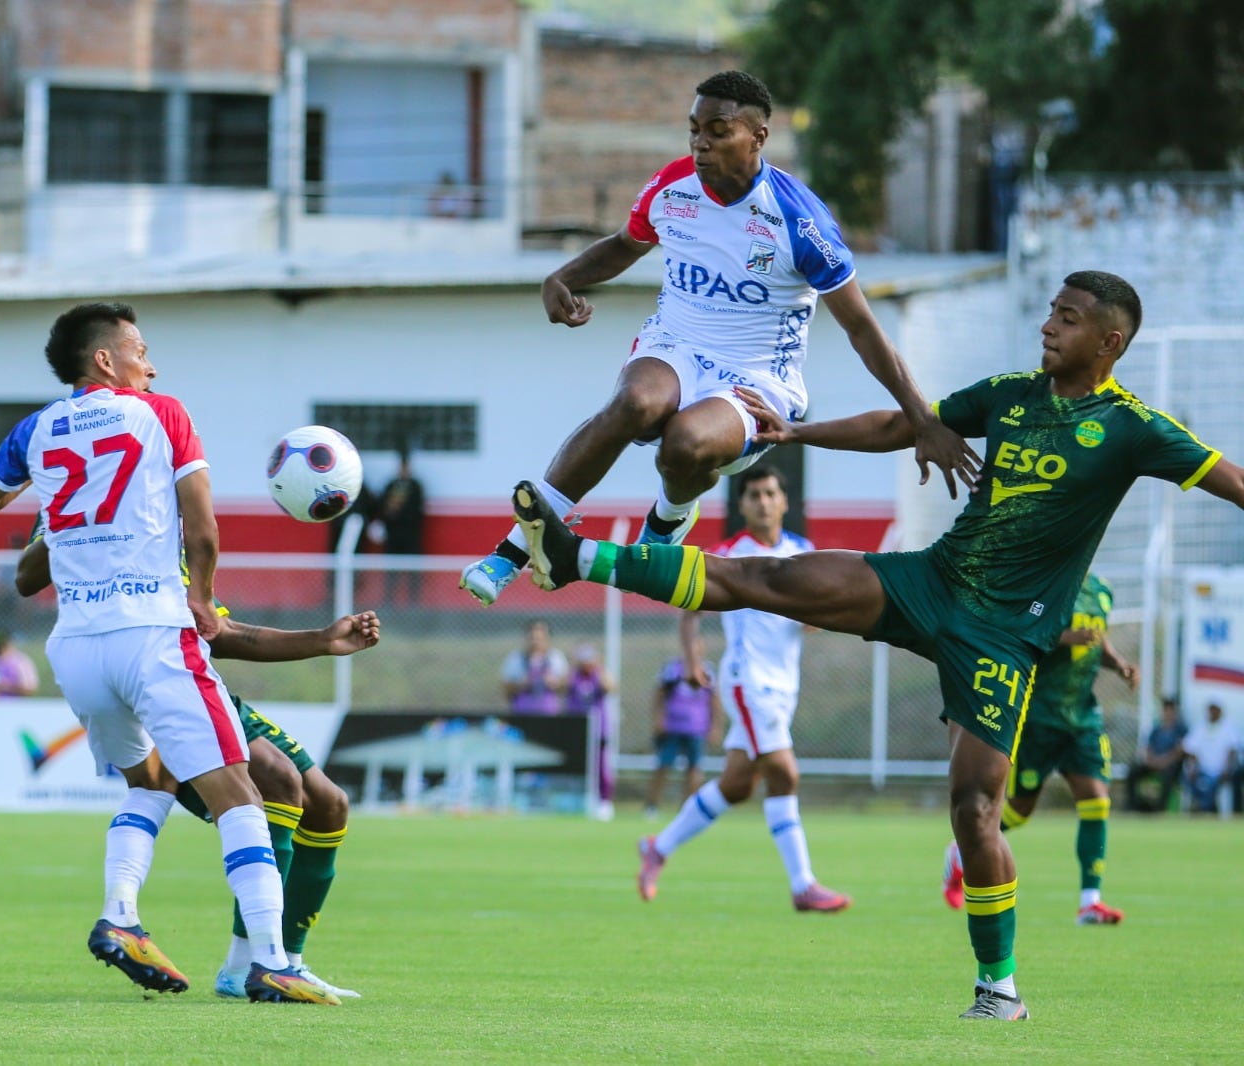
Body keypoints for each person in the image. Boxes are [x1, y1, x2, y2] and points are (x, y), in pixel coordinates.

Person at [507, 270, 1244, 1020]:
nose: (1049, 327)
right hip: (931, 580)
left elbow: (1234, 480)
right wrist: (795, 432)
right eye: (1051, 313)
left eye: (1069, 318)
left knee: (975, 807)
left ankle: (1000, 989)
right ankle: (574, 558)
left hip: (1002, 634)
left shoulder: (1134, 428)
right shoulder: (1012, 394)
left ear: (1109, 342)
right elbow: (902, 425)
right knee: (770, 577)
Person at [459, 68, 976, 607]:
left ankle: (668, 517)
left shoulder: (800, 221)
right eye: (694, 130)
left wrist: (924, 420)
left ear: (758, 137)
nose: (701, 143)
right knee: (634, 402)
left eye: (718, 130)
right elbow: (624, 244)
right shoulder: (672, 186)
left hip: (755, 375)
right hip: (676, 343)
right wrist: (561, 277)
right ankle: (511, 552)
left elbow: (864, 329)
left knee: (685, 445)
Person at [0, 301, 335, 1005]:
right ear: (106, 359)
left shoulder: (35, 430)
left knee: (149, 783)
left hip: (76, 646)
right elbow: (205, 527)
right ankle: (273, 961)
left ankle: (121, 916)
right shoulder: (161, 412)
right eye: (140, 349)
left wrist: (68, 508)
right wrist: (204, 596)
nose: (150, 363)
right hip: (153, 632)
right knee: (241, 795)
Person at [14, 528, 374, 1001]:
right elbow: (24, 570)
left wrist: (322, 640)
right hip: (148, 672)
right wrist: (64, 522)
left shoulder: (163, 533)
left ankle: (288, 961)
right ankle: (258, 963)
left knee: (329, 804)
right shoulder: (110, 511)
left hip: (191, 676)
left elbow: (217, 632)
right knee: (269, 782)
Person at [638, 465, 850, 913]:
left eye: (770, 493)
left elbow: (815, 614)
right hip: (747, 681)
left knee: (736, 785)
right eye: (753, 494)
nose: (763, 501)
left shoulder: (802, 551)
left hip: (783, 685)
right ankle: (803, 885)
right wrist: (693, 659)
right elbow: (690, 606)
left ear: (784, 501)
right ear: (742, 505)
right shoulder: (729, 553)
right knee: (784, 774)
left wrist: (819, 616)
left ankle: (658, 848)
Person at [940, 572, 1137, 925]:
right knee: (1018, 811)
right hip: (1038, 714)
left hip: (1082, 716)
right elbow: (1019, 632)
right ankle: (959, 853)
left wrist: (1118, 663)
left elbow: (1097, 638)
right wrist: (1065, 638)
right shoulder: (1048, 581)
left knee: (1096, 799)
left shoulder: (1101, 590)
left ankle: (1090, 902)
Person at [642, 632, 718, 820]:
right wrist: (658, 719)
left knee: (694, 768)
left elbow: (715, 701)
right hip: (673, 726)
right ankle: (652, 806)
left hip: (697, 727)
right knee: (663, 765)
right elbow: (659, 695)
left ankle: (687, 809)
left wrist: (715, 726)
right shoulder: (672, 669)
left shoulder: (708, 670)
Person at [564, 643, 616, 819]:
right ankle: (577, 799)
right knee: (576, 765)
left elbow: (610, 687)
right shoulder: (574, 677)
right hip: (577, 728)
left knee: (601, 766)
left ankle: (604, 801)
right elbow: (561, 686)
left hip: (598, 728)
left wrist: (599, 668)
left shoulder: (598, 675)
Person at [373, 452, 426, 604]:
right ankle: (389, 600)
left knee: (413, 570)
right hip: (393, 535)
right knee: (391, 570)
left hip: (411, 534)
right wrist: (390, 512)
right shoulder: (390, 485)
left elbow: (418, 510)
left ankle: (413, 601)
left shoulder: (415, 487)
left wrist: (401, 511)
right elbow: (381, 507)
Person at [1125, 696, 1188, 812]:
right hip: (1154, 763)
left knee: (1169, 775)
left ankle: (1160, 808)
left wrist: (1163, 762)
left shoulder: (1180, 730)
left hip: (1170, 765)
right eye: (1166, 710)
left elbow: (1179, 751)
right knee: (1134, 770)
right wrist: (1151, 760)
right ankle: (1132, 806)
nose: (1168, 713)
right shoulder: (1156, 729)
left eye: (1171, 710)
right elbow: (1148, 748)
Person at [1182, 702, 1240, 814]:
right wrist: (1193, 768)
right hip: (1202, 771)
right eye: (1211, 709)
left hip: (1220, 772)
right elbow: (1189, 749)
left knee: (1211, 786)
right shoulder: (1200, 727)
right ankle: (1199, 809)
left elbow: (1233, 750)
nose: (1212, 712)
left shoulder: (1229, 728)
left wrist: (1226, 769)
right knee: (1193, 781)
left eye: (1215, 709)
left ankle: (1205, 810)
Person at [501, 619, 569, 714]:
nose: (536, 642)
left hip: (549, 712)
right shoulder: (515, 659)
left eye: (540, 638)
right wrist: (521, 684)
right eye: (532, 638)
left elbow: (566, 687)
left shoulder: (556, 658)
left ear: (547, 638)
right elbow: (506, 689)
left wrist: (555, 683)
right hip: (522, 712)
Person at [0, 632, 40, 697]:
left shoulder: (22, 661)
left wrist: (4, 687)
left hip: (14, 705)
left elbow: (31, 688)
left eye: (3, 645)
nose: (0, 649)